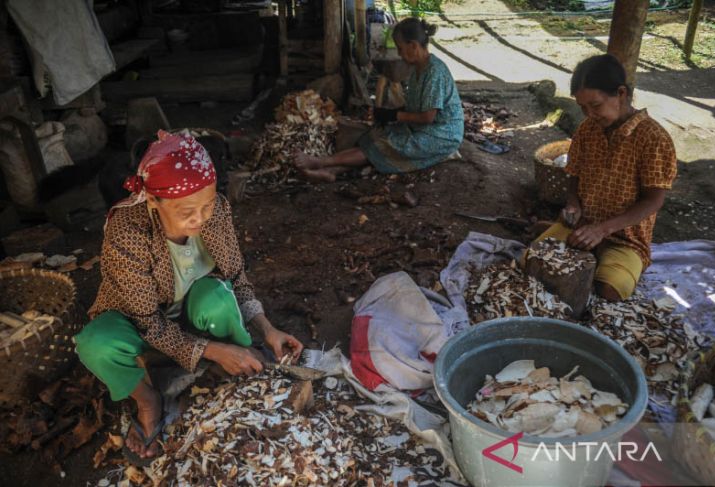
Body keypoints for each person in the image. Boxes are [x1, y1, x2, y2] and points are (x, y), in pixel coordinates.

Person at [74, 130, 304, 462]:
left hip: (194, 312)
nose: (200, 219)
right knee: (95, 344)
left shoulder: (218, 212)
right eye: (187, 212)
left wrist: (267, 328)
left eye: (207, 205)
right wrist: (215, 348)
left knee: (217, 295)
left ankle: (236, 363)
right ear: (153, 201)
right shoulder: (127, 230)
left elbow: (236, 277)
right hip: (138, 322)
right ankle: (149, 400)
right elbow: (149, 324)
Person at [532, 54, 677, 302]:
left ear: (621, 93)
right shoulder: (588, 130)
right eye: (582, 108)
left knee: (610, 291)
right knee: (532, 263)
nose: (589, 114)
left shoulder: (653, 138)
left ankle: (586, 248)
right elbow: (573, 174)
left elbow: (653, 201)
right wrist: (573, 204)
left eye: (595, 105)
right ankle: (558, 233)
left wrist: (603, 230)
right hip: (581, 227)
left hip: (625, 239)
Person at [294, 17, 464, 182]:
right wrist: (388, 114)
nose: (399, 53)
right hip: (424, 127)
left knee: (387, 145)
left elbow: (427, 117)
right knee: (376, 136)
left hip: (442, 134)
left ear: (413, 46)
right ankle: (331, 172)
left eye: (400, 48)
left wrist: (393, 116)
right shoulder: (418, 69)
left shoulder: (434, 72)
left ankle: (321, 162)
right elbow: (414, 107)